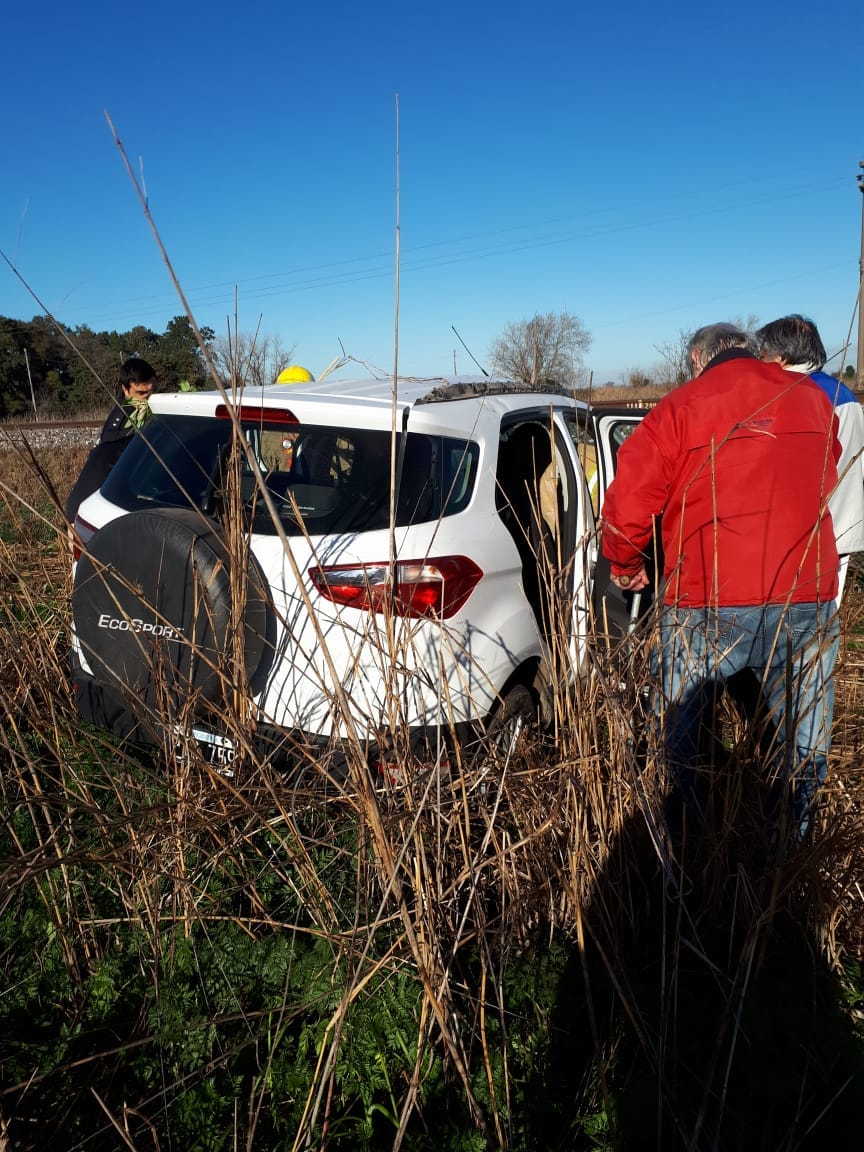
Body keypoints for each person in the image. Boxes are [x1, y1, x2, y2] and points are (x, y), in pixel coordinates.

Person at [600, 322, 841, 832]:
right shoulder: (814, 402)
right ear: (751, 351)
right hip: (804, 592)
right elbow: (826, 475)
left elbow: (628, 505)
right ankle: (792, 852)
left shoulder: (679, 408)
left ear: (696, 358)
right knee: (804, 742)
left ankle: (691, 843)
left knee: (683, 737)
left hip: (707, 597)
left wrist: (626, 565)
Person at [756, 315, 864, 602]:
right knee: (823, 619)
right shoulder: (840, 393)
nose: (760, 361)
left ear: (781, 356)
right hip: (841, 523)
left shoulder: (796, 393)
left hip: (806, 529)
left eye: (763, 354)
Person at [66, 358, 156, 524]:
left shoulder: (149, 410)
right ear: (125, 390)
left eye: (151, 391)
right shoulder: (119, 426)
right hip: (94, 515)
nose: (148, 398)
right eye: (141, 394)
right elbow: (103, 464)